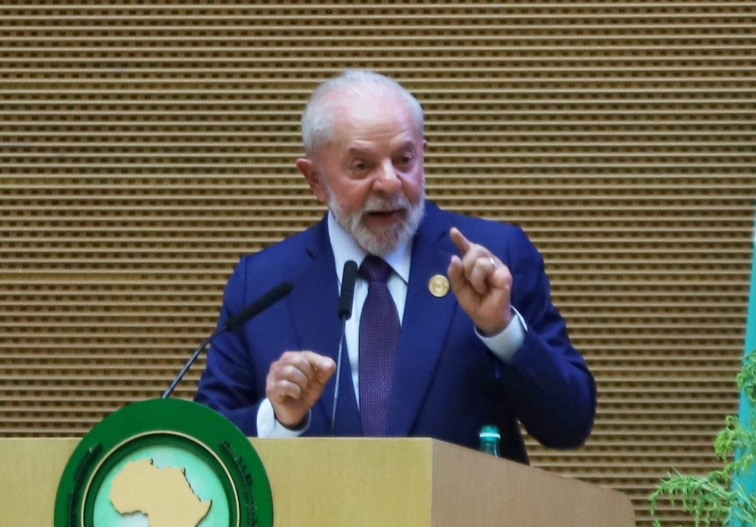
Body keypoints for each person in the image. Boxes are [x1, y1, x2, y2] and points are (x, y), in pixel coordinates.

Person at [194, 70, 594, 463]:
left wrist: (502, 329)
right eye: (361, 167)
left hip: (462, 526)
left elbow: (570, 424)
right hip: (316, 525)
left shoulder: (494, 259)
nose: (389, 183)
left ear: (423, 153)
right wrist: (278, 419)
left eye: (404, 160)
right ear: (315, 180)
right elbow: (204, 445)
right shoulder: (262, 283)